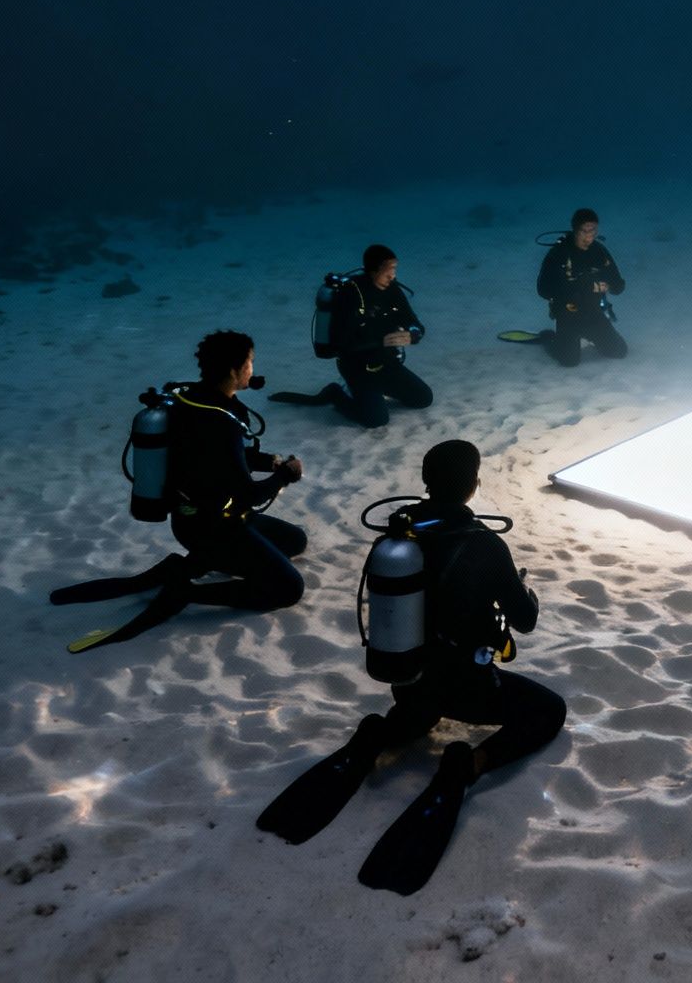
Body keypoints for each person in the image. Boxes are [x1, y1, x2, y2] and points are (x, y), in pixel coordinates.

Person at [257, 440, 566, 895]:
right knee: (549, 710)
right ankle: (470, 762)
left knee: (423, 710)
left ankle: (378, 736)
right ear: (473, 486)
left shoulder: (400, 537)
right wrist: (523, 590)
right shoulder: (484, 545)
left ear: (426, 482)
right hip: (468, 690)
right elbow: (526, 620)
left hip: (409, 682)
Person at [60, 330, 308, 652]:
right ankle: (187, 591)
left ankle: (193, 564)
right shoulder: (221, 421)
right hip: (212, 528)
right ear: (234, 370)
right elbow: (249, 494)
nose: (251, 369)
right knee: (289, 589)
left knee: (295, 541)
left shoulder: (194, 400)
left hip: (203, 517)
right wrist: (285, 476)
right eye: (249, 362)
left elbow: (225, 459)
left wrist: (271, 462)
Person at [327, 244, 433, 428]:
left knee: (423, 399)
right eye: (388, 271)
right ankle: (335, 393)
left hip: (387, 363)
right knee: (376, 420)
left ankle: (376, 393)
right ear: (373, 270)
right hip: (357, 369)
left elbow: (414, 322)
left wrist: (413, 335)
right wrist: (379, 341)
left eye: (395, 269)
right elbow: (339, 342)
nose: (392, 276)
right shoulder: (350, 294)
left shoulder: (393, 290)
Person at [536, 208, 628, 367]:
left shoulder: (599, 251)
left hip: (593, 312)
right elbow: (543, 289)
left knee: (619, 351)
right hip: (568, 313)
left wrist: (608, 285)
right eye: (584, 231)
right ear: (575, 230)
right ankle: (551, 339)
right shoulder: (560, 253)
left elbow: (618, 287)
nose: (589, 236)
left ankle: (587, 335)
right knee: (569, 361)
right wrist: (583, 286)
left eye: (592, 230)